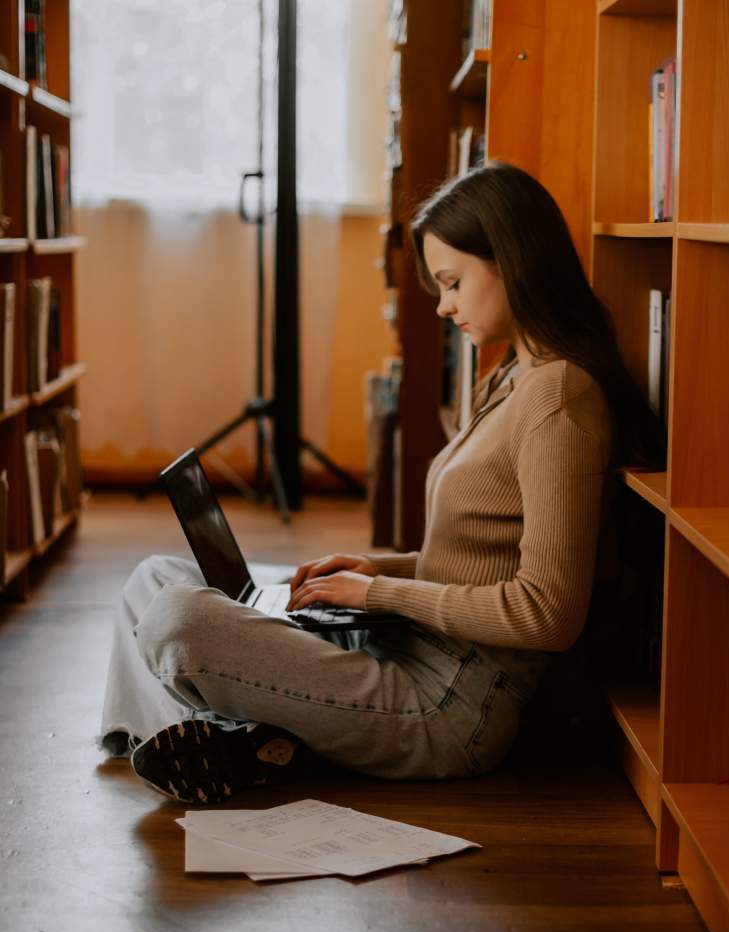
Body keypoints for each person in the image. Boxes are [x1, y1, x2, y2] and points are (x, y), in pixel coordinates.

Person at [98, 161, 663, 805]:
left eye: (452, 282)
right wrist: (378, 570)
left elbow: (547, 612)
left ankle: (229, 735)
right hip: (403, 645)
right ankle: (231, 740)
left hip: (447, 705)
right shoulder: (510, 377)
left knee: (179, 618)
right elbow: (479, 559)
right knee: (155, 578)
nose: (445, 305)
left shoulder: (558, 399)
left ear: (510, 261)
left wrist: (381, 592)